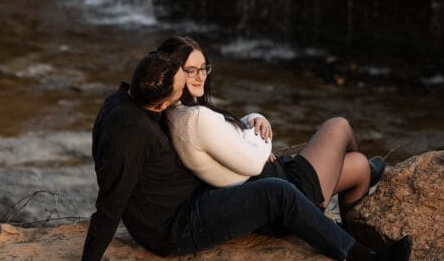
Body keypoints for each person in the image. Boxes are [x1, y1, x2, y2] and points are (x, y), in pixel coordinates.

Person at [45, 50, 410, 261]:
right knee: (277, 192)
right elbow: (111, 199)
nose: (184, 97)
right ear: (159, 106)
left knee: (291, 177)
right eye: (178, 94)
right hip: (174, 227)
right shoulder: (129, 135)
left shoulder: (126, 97)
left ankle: (358, 195)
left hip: (192, 197)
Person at [157, 36, 385, 219]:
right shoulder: (195, 118)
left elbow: (223, 134)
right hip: (284, 190)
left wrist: (254, 118)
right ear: (174, 74)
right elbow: (254, 163)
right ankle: (347, 168)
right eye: (191, 71)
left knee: (360, 168)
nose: (200, 77)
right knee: (339, 125)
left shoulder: (180, 112)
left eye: (203, 68)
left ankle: (356, 247)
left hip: (276, 177)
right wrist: (263, 143)